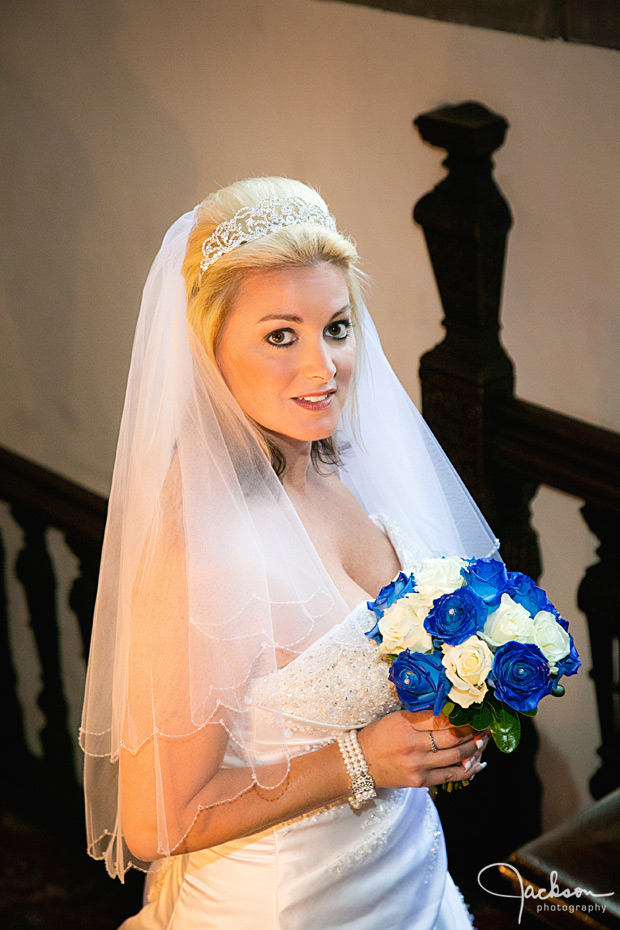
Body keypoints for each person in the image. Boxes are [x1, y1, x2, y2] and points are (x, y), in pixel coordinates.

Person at [80, 177, 498, 929]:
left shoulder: (353, 464)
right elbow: (154, 823)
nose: (323, 367)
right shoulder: (200, 548)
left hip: (406, 875)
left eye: (336, 328)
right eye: (281, 335)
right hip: (288, 904)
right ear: (209, 352)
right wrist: (362, 761)